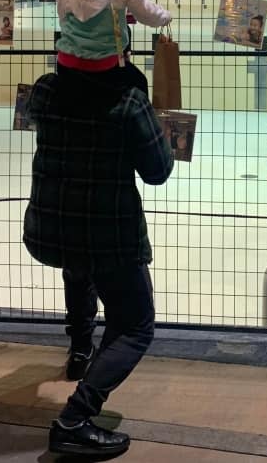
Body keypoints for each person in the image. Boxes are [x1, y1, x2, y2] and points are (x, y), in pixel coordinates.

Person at [24, 58, 174, 457]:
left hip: (54, 225)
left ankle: (80, 348)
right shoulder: (128, 101)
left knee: (78, 269)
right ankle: (75, 418)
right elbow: (158, 170)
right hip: (109, 234)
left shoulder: (46, 90)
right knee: (134, 325)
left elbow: (48, 117)